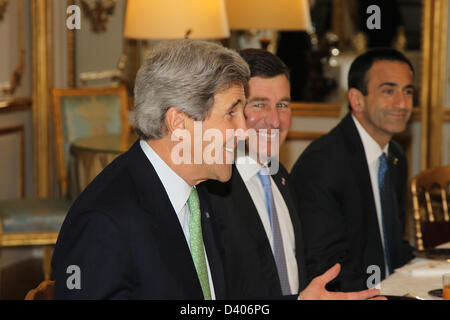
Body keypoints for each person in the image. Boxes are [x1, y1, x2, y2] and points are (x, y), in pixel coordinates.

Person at [51, 39, 250, 299]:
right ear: (179, 122)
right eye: (231, 114)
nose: (244, 131)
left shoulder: (198, 193)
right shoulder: (104, 223)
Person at [205, 48, 382, 300]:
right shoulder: (212, 189)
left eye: (282, 105)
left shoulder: (281, 178)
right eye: (259, 105)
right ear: (232, 109)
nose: (275, 121)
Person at [290, 48, 414, 292]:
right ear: (357, 100)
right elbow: (326, 266)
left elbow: (392, 246)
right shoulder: (322, 164)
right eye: (388, 91)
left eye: (408, 91)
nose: (402, 103)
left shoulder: (395, 156)